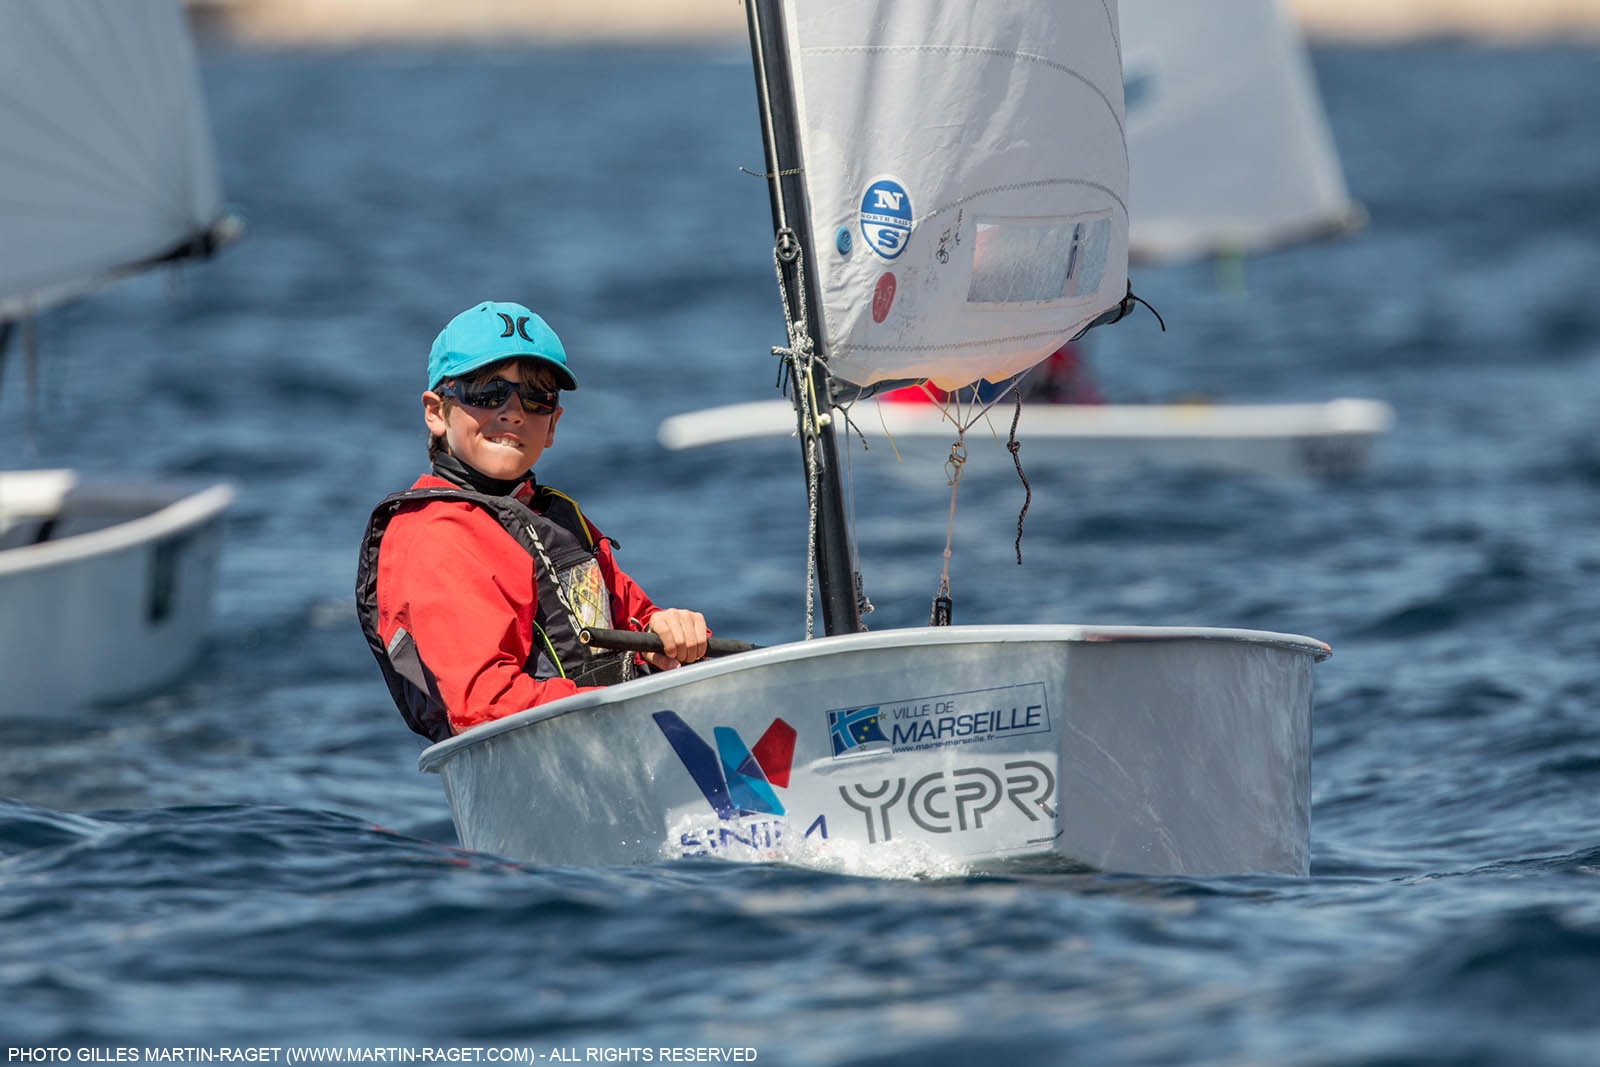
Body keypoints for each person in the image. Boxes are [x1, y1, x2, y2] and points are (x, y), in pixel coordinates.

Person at [356, 300, 708, 743]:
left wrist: (668, 631)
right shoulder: (435, 535)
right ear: (435, 412)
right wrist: (622, 702)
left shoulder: (554, 518)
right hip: (547, 764)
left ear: (554, 423)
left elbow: (633, 617)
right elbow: (485, 706)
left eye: (537, 396)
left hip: (613, 746)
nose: (514, 411)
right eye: (486, 392)